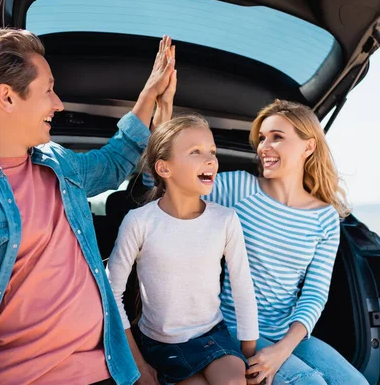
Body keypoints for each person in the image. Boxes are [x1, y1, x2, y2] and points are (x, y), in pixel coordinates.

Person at [0, 29, 176, 385]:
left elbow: (114, 161)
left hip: (111, 373)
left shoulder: (59, 163)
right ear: (6, 98)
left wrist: (148, 97)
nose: (58, 103)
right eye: (48, 89)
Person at [154, 89, 368, 384]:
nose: (264, 147)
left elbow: (315, 294)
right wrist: (164, 116)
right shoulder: (238, 189)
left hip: (288, 333)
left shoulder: (325, 217)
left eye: (277, 137)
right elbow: (172, 181)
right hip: (233, 328)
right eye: (263, 138)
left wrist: (282, 350)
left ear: (308, 146)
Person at [106, 114, 259, 385]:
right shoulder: (140, 222)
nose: (211, 159)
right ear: (164, 169)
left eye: (212, 151)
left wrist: (248, 353)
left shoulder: (225, 219)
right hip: (159, 343)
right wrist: (137, 363)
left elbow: (243, 288)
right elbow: (111, 294)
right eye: (196, 152)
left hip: (213, 335)